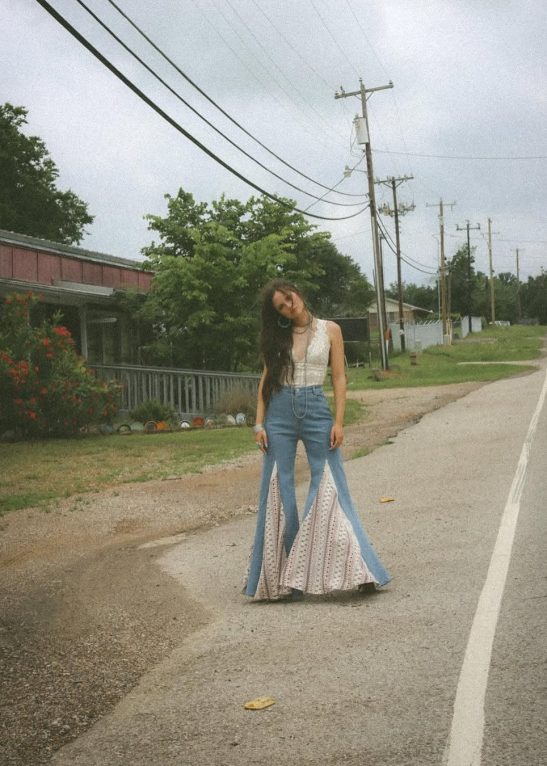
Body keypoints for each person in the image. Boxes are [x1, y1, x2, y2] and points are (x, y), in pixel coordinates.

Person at [244, 278, 391, 601]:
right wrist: (258, 424)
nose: (288, 305)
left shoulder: (331, 330)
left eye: (288, 297)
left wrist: (339, 421)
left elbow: (339, 377)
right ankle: (285, 582)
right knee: (277, 489)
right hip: (278, 413)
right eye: (281, 306)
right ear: (278, 313)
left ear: (296, 292)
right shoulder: (276, 336)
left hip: (316, 410)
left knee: (331, 486)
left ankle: (359, 570)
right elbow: (266, 379)